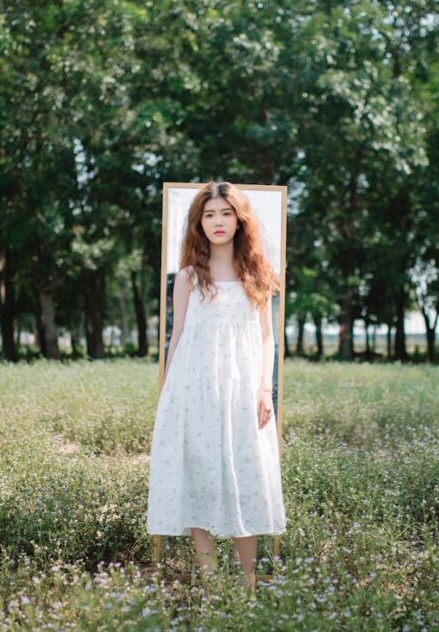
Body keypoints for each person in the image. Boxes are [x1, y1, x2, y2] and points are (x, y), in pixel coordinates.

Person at [146, 181, 286, 597]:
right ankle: (211, 584)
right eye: (209, 214)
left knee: (247, 478)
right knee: (199, 475)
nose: (218, 221)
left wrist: (265, 388)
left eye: (225, 213)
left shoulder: (256, 274)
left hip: (245, 391)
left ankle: (247, 586)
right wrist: (169, 394)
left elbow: (267, 338)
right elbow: (178, 337)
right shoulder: (188, 277)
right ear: (198, 223)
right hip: (196, 390)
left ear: (239, 219)